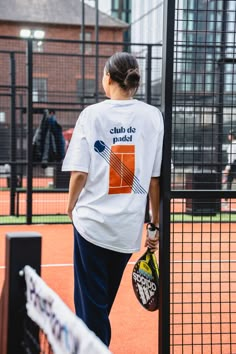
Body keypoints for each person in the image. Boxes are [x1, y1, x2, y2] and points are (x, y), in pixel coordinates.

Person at [62, 52, 164, 347]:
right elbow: (155, 180)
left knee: (92, 311)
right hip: (127, 230)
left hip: (91, 225)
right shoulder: (152, 116)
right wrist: (154, 226)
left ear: (108, 78)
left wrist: (70, 208)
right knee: (99, 307)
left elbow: (79, 173)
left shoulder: (92, 115)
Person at [223, 129, 236, 205]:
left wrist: (227, 168)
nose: (228, 136)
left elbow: (231, 158)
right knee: (228, 182)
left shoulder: (232, 145)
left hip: (233, 165)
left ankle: (226, 201)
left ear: (232, 136)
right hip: (233, 164)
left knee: (228, 182)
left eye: (229, 135)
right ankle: (226, 200)